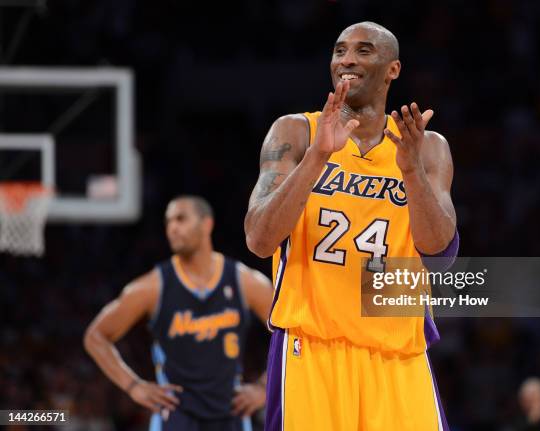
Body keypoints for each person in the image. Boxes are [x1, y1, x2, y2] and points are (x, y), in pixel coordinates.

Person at [245, 21, 458, 431]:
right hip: (313, 347)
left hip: (398, 351)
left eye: (363, 51)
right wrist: (317, 159)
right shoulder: (296, 132)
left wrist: (411, 173)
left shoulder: (426, 147)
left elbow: (440, 255)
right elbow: (258, 238)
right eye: (340, 50)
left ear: (392, 69)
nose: (346, 60)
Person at [85, 196, 274, 431]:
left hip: (231, 413)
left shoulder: (244, 281)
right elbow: (96, 336)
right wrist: (134, 386)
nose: (172, 227)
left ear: (207, 224)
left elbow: (289, 332)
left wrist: (264, 388)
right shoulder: (153, 287)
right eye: (168, 222)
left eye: (181, 219)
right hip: (177, 417)